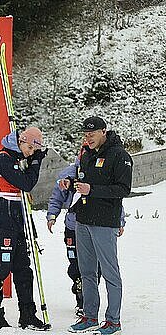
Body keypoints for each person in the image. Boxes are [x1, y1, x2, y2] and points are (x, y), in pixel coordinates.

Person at [67, 116, 132, 335]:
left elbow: (123, 190)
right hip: (83, 220)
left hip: (105, 222)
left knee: (109, 272)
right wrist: (71, 184)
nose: (88, 138)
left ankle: (113, 321)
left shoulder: (120, 155)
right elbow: (82, 179)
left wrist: (91, 190)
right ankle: (90, 316)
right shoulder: (86, 154)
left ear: (104, 131)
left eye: (92, 134)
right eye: (85, 134)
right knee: (86, 272)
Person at [0, 127, 51, 330]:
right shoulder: (3, 158)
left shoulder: (20, 158)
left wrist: (32, 160)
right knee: (2, 266)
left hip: (18, 215)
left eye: (34, 149)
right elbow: (26, 183)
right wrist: (36, 162)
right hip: (3, 213)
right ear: (21, 142)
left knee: (23, 269)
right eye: (29, 147)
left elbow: (26, 183)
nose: (31, 152)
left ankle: (28, 315)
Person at [47, 151, 126, 318]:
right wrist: (52, 215)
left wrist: (119, 220)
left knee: (98, 267)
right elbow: (56, 197)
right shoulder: (67, 174)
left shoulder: (99, 171)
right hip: (73, 226)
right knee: (77, 265)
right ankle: (81, 299)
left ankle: (97, 306)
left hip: (97, 225)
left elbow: (113, 199)